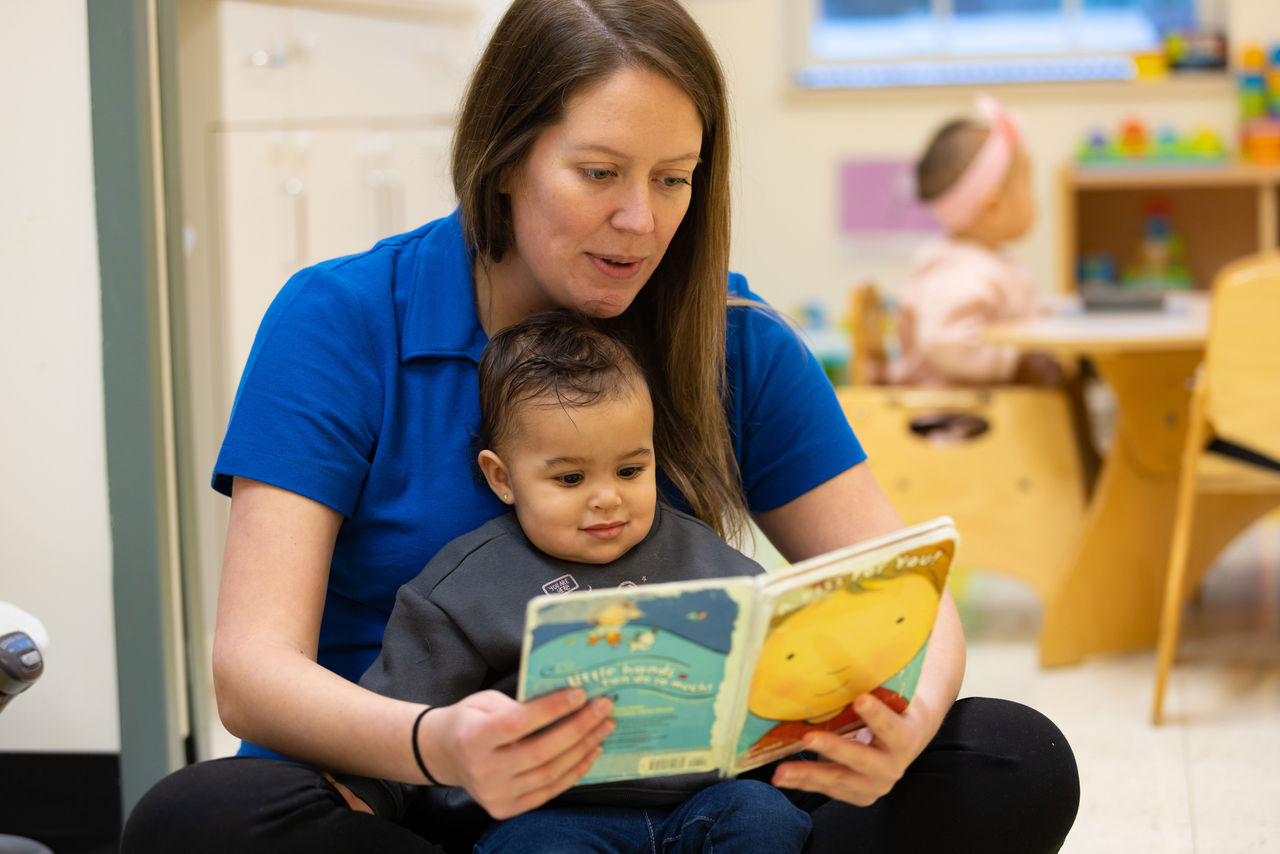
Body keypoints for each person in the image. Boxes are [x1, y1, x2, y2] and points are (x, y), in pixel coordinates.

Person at [121, 2, 1080, 852]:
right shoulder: (340, 319)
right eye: (598, 172)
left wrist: (901, 720)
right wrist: (437, 744)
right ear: (503, 162)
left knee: (1010, 758)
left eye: (674, 179)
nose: (640, 221)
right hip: (411, 796)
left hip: (689, 810)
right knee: (196, 822)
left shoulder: (729, 337)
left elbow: (912, 593)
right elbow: (250, 673)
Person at [334, 309, 812, 852]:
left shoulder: (706, 558)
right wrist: (365, 797)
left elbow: (778, 672)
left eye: (631, 471)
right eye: (570, 478)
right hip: (552, 813)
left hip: (700, 803)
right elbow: (404, 712)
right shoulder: (463, 589)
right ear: (502, 477)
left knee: (766, 816)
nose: (607, 497)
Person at [890, 95, 1062, 388]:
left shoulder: (987, 263)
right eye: (1027, 187)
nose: (1035, 199)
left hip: (982, 410)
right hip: (952, 419)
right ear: (993, 209)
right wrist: (1014, 362)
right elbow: (944, 341)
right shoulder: (959, 272)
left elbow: (1018, 314)